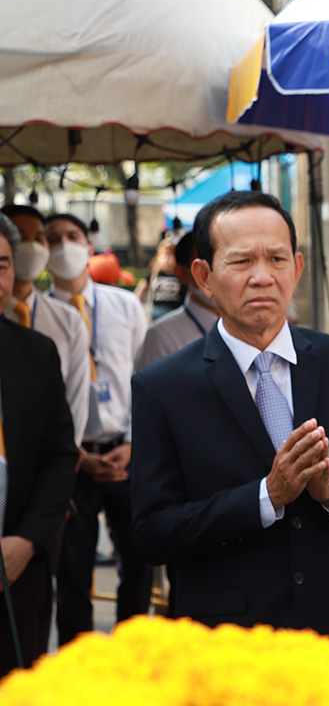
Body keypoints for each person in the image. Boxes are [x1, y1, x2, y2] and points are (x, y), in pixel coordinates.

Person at [130, 191, 329, 643]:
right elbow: (151, 532)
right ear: (204, 276)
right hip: (227, 639)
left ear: (297, 267)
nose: (262, 277)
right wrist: (265, 496)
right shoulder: (162, 387)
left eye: (277, 259)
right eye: (242, 262)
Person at [45, 212, 151, 646]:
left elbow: (148, 377)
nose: (63, 245)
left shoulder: (125, 305)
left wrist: (135, 441)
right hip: (71, 462)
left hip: (126, 452)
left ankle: (130, 652)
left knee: (140, 563)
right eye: (53, 239)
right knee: (71, 573)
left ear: (89, 246)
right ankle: (78, 659)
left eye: (72, 236)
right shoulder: (37, 315)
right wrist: (77, 457)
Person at [0, 213, 78, 675]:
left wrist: (28, 539)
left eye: (2, 265)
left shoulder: (35, 352)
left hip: (17, 571)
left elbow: (59, 455)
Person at [0, 205, 90, 447]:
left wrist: (66, 455)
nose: (31, 245)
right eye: (20, 235)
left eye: (39, 237)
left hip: (54, 456)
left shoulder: (68, 320)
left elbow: (76, 399)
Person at [134, 232, 219, 370]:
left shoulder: (248, 327)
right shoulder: (161, 337)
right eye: (205, 266)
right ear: (181, 273)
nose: (216, 272)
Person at [135, 238, 185, 320]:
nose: (166, 259)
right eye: (163, 255)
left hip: (175, 312)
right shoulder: (154, 275)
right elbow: (140, 290)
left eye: (169, 255)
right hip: (156, 312)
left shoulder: (181, 275)